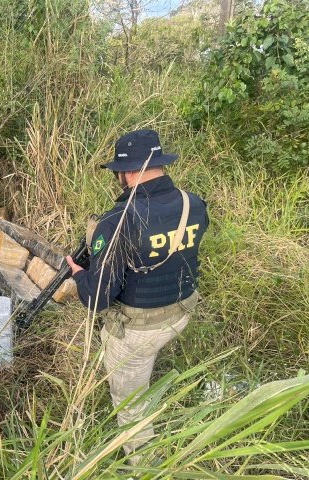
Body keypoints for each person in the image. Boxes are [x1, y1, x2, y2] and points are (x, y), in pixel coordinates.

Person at [65, 129, 209, 464]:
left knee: (131, 404)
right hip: (182, 311)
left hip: (139, 331)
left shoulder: (117, 221)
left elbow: (97, 298)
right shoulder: (194, 203)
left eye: (118, 171)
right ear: (159, 164)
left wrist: (78, 273)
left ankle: (146, 466)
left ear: (127, 172)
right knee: (146, 359)